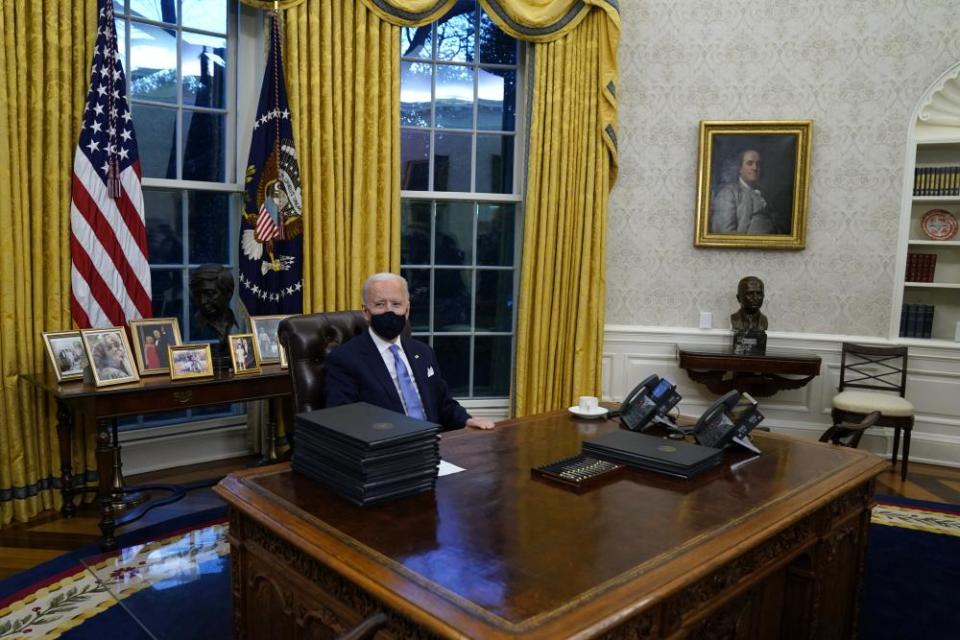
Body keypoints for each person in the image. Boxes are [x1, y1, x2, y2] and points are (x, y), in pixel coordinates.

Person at [325, 273, 496, 431]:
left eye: (396, 304)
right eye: (379, 304)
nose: (389, 311)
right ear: (366, 312)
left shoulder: (423, 352)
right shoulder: (345, 359)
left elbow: (442, 403)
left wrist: (467, 420)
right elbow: (345, 421)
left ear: (407, 311)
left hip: (434, 446)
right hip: (389, 452)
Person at [710, 149, 776, 234]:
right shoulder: (728, 194)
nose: (755, 168)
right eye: (749, 163)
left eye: (758, 164)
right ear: (740, 168)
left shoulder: (765, 193)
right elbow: (725, 233)